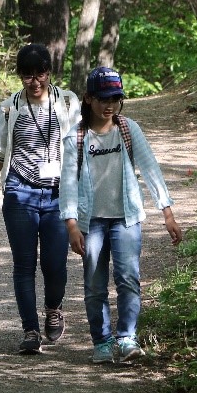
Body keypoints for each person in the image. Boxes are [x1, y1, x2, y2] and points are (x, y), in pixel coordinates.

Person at [59, 67, 183, 364]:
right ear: (88, 98)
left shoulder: (128, 129)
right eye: (103, 98)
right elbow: (67, 183)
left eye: (115, 98)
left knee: (128, 277)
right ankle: (102, 342)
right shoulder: (76, 137)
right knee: (94, 285)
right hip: (91, 223)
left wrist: (167, 214)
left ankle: (127, 337)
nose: (109, 105)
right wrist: (71, 224)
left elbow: (150, 168)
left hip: (126, 218)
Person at [0, 44, 81, 354]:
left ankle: (53, 308)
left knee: (54, 264)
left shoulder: (67, 102)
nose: (35, 82)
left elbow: (78, 148)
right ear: (19, 76)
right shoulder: (9, 108)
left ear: (49, 72)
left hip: (57, 194)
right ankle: (30, 330)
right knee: (24, 265)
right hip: (19, 191)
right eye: (27, 76)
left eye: (40, 74)